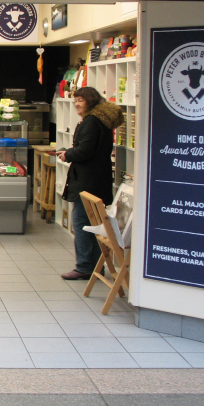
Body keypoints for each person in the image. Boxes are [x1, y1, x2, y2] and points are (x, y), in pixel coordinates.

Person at [57, 86, 124, 280]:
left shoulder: (92, 122)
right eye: (75, 100)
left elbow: (85, 151)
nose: (77, 104)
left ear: (91, 101)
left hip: (87, 182)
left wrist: (67, 154)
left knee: (81, 223)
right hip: (98, 180)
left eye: (80, 100)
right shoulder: (100, 121)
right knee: (93, 224)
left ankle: (85, 266)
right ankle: (94, 266)